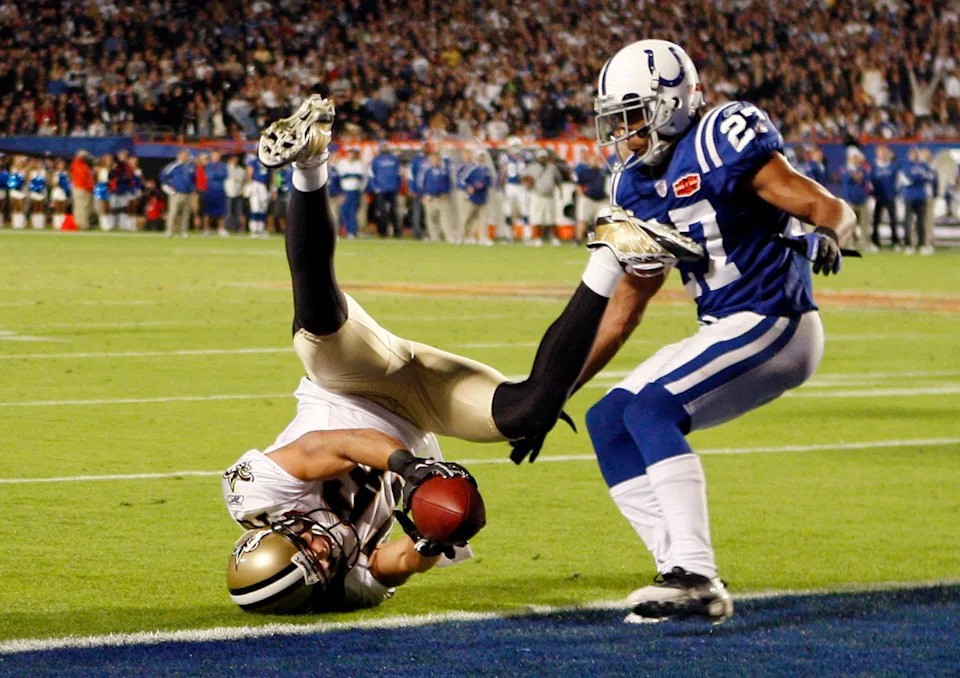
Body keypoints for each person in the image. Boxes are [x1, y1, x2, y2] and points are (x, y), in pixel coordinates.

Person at [228, 95, 689, 613]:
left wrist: (411, 469)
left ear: (279, 532)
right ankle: (613, 249)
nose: (322, 548)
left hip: (351, 382)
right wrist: (431, 536)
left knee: (317, 320)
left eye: (306, 547)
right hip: (423, 411)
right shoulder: (345, 584)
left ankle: (310, 164)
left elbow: (333, 444)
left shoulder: (253, 496)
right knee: (530, 411)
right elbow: (394, 564)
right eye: (319, 563)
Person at [577, 39, 855, 625]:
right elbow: (627, 304)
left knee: (653, 410)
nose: (621, 134)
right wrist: (559, 386)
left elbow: (822, 203)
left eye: (631, 117)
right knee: (608, 420)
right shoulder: (631, 189)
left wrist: (830, 232)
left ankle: (696, 575)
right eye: (615, 120)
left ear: (670, 104)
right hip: (724, 324)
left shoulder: (721, 137)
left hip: (776, 318)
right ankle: (676, 571)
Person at [526, 149, 563, 246]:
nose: (543, 159)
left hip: (550, 196)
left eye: (544, 157)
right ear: (537, 158)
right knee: (537, 218)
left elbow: (558, 180)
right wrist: (528, 185)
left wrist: (560, 191)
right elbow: (526, 178)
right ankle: (537, 238)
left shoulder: (552, 168)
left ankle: (554, 238)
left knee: (551, 218)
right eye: (541, 157)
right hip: (537, 195)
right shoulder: (532, 168)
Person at [869, 145, 901, 252]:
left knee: (893, 221)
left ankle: (895, 242)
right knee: (876, 221)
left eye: (884, 152)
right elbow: (870, 182)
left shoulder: (893, 166)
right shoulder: (873, 166)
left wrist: (896, 193)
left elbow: (898, 181)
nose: (882, 154)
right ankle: (875, 242)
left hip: (890, 197)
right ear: (877, 153)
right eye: (880, 152)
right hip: (878, 197)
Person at [901, 147, 932, 255]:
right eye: (912, 153)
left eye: (916, 153)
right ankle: (908, 244)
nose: (914, 155)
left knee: (921, 222)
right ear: (909, 155)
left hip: (921, 197)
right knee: (907, 222)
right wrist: (920, 177)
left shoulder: (923, 165)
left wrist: (918, 178)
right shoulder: (906, 165)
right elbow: (908, 178)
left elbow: (930, 177)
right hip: (909, 197)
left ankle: (921, 245)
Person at [574, 152, 609, 245]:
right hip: (588, 198)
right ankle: (578, 240)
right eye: (593, 159)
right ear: (589, 161)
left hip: (601, 199)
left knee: (601, 221)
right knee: (583, 220)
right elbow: (578, 184)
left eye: (596, 159)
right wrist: (582, 196)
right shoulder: (585, 172)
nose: (595, 161)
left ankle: (600, 240)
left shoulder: (602, 171)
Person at [160, 149, 196, 238]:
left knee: (186, 214)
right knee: (173, 213)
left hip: (187, 193)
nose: (185, 157)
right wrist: (169, 186)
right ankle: (169, 230)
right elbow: (163, 176)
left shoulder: (190, 167)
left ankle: (184, 231)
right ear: (179, 156)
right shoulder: (173, 166)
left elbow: (193, 179)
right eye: (184, 155)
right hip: (177, 193)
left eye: (187, 155)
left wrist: (192, 189)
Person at [369, 143, 401, 237]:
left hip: (392, 189)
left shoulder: (395, 159)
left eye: (386, 146)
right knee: (382, 212)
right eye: (383, 146)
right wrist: (375, 187)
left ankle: (396, 232)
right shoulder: (376, 160)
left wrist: (397, 186)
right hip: (381, 190)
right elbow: (371, 175)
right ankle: (383, 232)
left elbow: (399, 174)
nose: (385, 148)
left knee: (394, 211)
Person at [462, 149, 493, 245]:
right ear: (475, 156)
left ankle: (483, 237)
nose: (481, 157)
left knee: (483, 218)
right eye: (479, 155)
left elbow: (489, 182)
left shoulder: (486, 169)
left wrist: (483, 185)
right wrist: (469, 187)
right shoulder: (470, 168)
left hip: (482, 196)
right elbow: (462, 180)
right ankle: (466, 236)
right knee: (468, 217)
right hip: (472, 196)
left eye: (482, 156)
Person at [335, 148, 365, 239]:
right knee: (344, 211)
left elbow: (360, 176)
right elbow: (339, 177)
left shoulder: (359, 164)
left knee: (353, 211)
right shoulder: (342, 163)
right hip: (345, 190)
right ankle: (345, 230)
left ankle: (352, 231)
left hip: (355, 190)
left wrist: (349, 175)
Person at [202, 150, 229, 237]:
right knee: (207, 211)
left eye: (217, 155)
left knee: (221, 211)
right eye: (214, 155)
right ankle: (207, 229)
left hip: (220, 190)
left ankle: (221, 229)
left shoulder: (223, 165)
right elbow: (210, 175)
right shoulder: (208, 165)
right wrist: (217, 175)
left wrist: (216, 175)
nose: (216, 157)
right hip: (210, 190)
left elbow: (224, 175)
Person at [69, 150, 94, 230]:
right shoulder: (78, 164)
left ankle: (81, 224)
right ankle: (82, 225)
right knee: (81, 207)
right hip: (81, 188)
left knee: (83, 207)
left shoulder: (82, 165)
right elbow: (83, 178)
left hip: (83, 188)